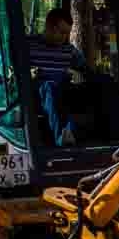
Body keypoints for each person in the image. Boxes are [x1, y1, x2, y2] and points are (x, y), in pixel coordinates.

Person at [27, 9, 85, 146]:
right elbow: (9, 68)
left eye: (67, 33)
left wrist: (79, 74)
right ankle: (62, 138)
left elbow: (85, 70)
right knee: (50, 88)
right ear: (48, 26)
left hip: (63, 89)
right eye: (62, 32)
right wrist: (26, 73)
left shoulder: (70, 50)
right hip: (38, 94)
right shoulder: (28, 44)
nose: (65, 37)